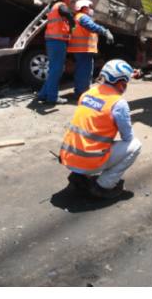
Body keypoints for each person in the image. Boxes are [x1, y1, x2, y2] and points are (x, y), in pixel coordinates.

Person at [59, 59, 142, 199]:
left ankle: (78, 176)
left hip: (69, 156)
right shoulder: (118, 103)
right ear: (122, 83)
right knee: (135, 145)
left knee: (94, 136)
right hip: (89, 160)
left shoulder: (88, 93)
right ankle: (103, 186)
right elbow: (127, 137)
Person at [36, 0, 77, 105]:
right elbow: (67, 13)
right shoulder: (61, 6)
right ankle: (52, 98)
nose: (69, 0)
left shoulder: (53, 7)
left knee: (54, 70)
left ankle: (43, 94)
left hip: (52, 41)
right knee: (57, 70)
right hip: (57, 42)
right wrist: (73, 25)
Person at [68, 0, 115, 96]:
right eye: (89, 7)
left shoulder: (77, 17)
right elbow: (92, 26)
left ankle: (80, 91)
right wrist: (105, 31)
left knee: (82, 71)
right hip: (83, 50)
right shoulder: (83, 17)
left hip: (81, 50)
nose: (90, 9)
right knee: (84, 72)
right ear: (83, 8)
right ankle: (82, 93)